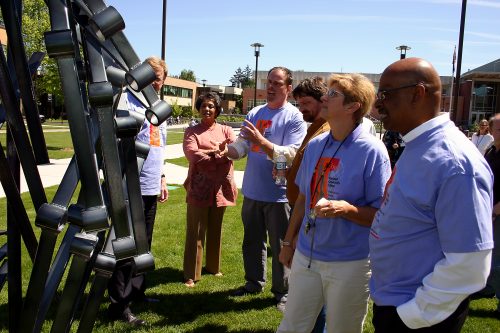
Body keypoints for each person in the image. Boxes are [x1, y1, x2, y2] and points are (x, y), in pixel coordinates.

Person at [369, 57, 493, 332]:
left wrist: (413, 315)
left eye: (385, 95)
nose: (378, 104)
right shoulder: (418, 144)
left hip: (421, 317)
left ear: (418, 93)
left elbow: (470, 263)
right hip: (397, 303)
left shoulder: (455, 163)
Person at [277, 73, 391, 333]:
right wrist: (287, 242)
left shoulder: (372, 150)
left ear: (353, 106)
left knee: (343, 329)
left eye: (333, 94)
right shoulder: (316, 145)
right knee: (293, 326)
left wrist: (347, 209)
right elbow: (303, 198)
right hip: (307, 255)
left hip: (350, 262)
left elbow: (382, 214)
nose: (324, 98)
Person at [226, 66, 307, 312]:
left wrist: (262, 141)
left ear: (288, 89)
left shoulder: (294, 117)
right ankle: (253, 282)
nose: (270, 87)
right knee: (252, 241)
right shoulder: (254, 112)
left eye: (277, 83)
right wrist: (226, 151)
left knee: (281, 244)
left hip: (279, 196)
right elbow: (242, 146)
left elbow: (292, 155)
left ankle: (282, 291)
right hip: (252, 191)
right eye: (269, 82)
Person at [108, 56, 169, 326]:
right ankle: (119, 305)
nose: (155, 81)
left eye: (159, 77)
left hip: (151, 185)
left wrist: (163, 178)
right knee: (126, 247)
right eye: (151, 75)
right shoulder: (127, 103)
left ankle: (136, 291)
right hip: (129, 186)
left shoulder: (160, 108)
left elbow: (159, 148)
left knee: (144, 244)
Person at [285, 76, 329, 333]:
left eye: (306, 103)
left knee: (314, 287)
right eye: (299, 103)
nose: (301, 108)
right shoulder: (315, 128)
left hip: (312, 217)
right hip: (303, 212)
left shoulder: (324, 132)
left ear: (322, 101)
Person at [182, 92, 238, 287]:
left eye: (211, 106)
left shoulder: (226, 130)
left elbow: (233, 152)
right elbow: (193, 155)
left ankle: (213, 267)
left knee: (216, 228)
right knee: (195, 231)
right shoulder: (192, 131)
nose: (207, 109)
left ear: (217, 109)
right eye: (204, 105)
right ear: (198, 108)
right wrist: (217, 154)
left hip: (221, 187)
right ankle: (191, 274)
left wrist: (213, 154)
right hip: (199, 187)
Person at [482, 115, 500, 316]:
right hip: (489, 211)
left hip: (496, 212)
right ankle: (487, 287)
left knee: (497, 261)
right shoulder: (491, 150)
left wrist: (495, 211)